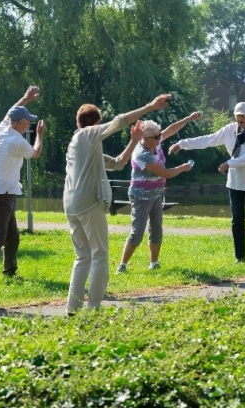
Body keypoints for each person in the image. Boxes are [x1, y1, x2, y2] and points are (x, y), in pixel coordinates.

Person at [64, 94, 172, 313]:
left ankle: (73, 309)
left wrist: (133, 141)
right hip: (88, 204)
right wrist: (150, 106)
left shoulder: (81, 144)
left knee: (83, 256)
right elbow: (118, 121)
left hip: (71, 205)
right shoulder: (87, 134)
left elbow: (118, 163)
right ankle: (94, 308)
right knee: (100, 255)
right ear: (94, 123)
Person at [169, 102, 245, 266]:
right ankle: (240, 257)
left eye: (243, 116)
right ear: (234, 115)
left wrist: (228, 164)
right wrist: (182, 144)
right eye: (238, 115)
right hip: (235, 182)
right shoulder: (229, 130)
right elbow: (207, 140)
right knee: (237, 220)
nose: (240, 118)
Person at [0, 86, 45, 284]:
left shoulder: (0, 131)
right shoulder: (17, 141)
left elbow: (10, 112)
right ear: (21, 123)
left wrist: (25, 98)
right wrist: (39, 134)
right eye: (28, 122)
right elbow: (36, 153)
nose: (29, 125)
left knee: (12, 237)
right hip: (2, 194)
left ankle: (10, 272)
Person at [115, 113, 199, 273]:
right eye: (156, 136)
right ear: (145, 138)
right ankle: (122, 265)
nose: (160, 138)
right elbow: (166, 173)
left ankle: (154, 263)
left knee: (156, 229)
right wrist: (183, 167)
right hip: (141, 196)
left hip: (156, 194)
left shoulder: (155, 143)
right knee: (137, 232)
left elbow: (170, 130)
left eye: (159, 135)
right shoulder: (142, 155)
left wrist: (188, 119)